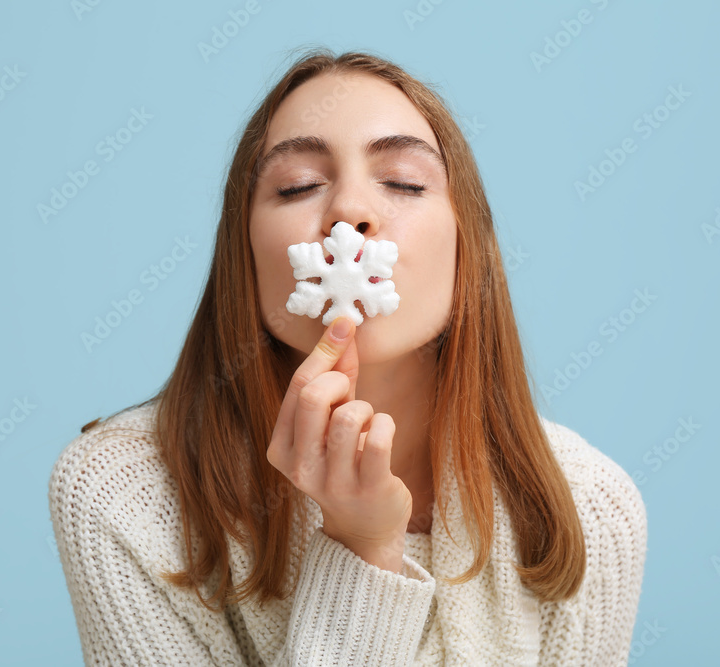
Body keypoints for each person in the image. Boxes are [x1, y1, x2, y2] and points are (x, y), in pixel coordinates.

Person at [48, 46, 648, 666]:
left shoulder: (587, 504)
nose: (349, 216)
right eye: (299, 186)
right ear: (244, 254)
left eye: (405, 183)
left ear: (467, 245)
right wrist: (362, 551)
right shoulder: (121, 492)